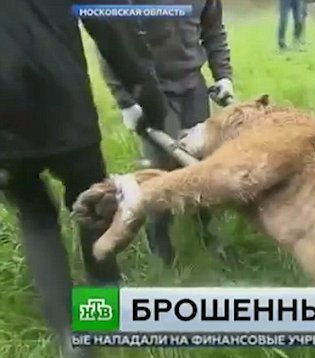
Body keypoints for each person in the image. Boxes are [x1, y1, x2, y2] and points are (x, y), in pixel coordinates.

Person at [0, 0, 169, 356]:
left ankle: (70, 336)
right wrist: (144, 87)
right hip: (67, 108)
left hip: (6, 129)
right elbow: (107, 22)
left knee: (36, 220)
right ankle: (102, 312)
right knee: (93, 205)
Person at [97, 0, 235, 265]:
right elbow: (110, 44)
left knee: (202, 169)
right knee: (160, 174)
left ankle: (208, 236)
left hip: (193, 88)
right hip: (151, 91)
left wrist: (223, 75)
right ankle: (161, 249)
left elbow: (213, 30)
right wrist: (126, 101)